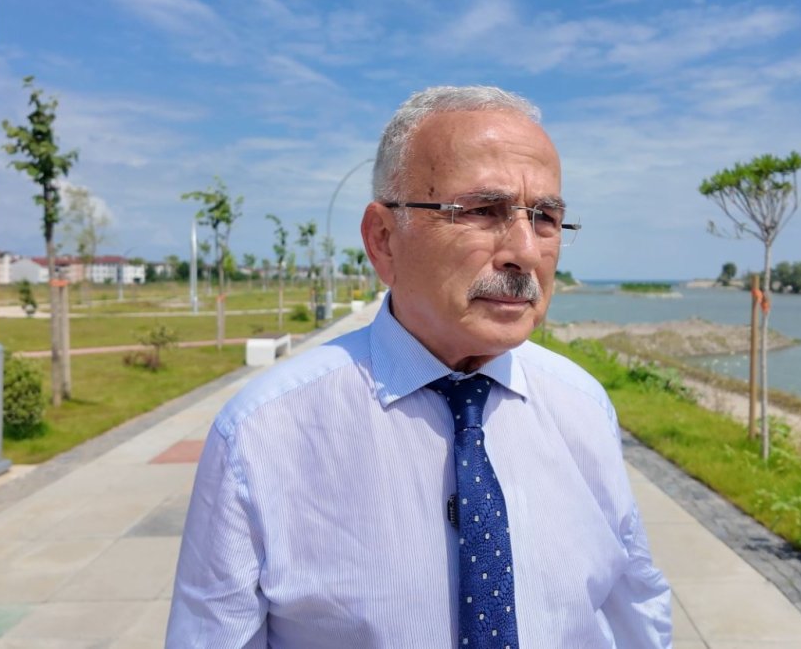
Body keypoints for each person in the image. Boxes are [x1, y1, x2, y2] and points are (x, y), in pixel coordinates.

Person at [167, 86, 672, 648]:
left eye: (546, 218)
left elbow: (635, 609)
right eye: (482, 211)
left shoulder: (583, 406)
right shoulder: (262, 436)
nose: (526, 252)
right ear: (384, 239)